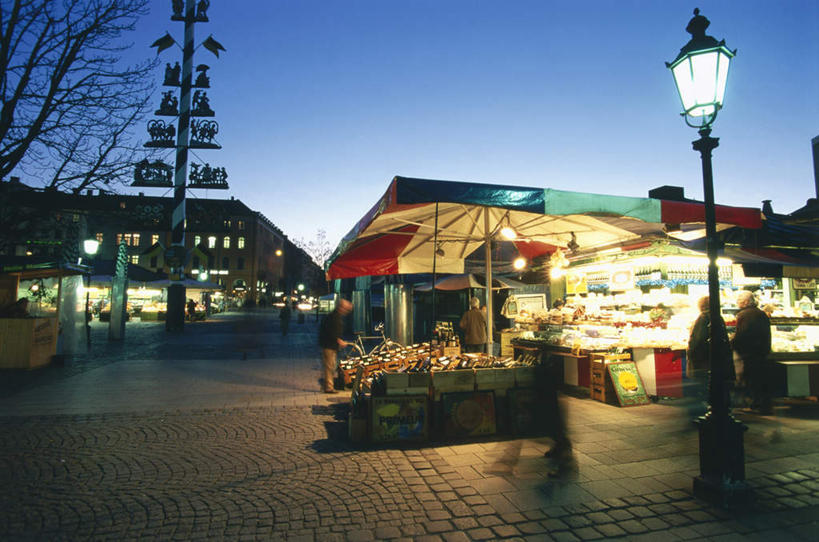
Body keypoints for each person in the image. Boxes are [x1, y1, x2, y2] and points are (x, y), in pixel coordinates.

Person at [732, 290, 773, 414]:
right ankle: (762, 405)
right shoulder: (760, 313)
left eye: (739, 301)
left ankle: (756, 405)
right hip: (761, 351)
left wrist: (732, 344)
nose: (737, 303)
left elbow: (742, 334)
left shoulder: (744, 315)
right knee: (760, 379)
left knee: (752, 380)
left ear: (745, 302)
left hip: (749, 352)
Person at [318, 298, 352, 394]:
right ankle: (328, 387)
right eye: (346, 309)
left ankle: (328, 385)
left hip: (330, 345)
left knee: (331, 366)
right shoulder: (334, 317)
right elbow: (332, 332)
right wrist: (339, 341)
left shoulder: (335, 315)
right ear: (341, 307)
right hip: (329, 345)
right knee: (329, 367)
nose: (346, 312)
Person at [686, 296, 711, 403]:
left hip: (702, 356)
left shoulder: (703, 318)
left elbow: (698, 338)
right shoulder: (715, 316)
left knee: (702, 380)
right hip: (709, 355)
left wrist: (690, 351)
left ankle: (705, 400)